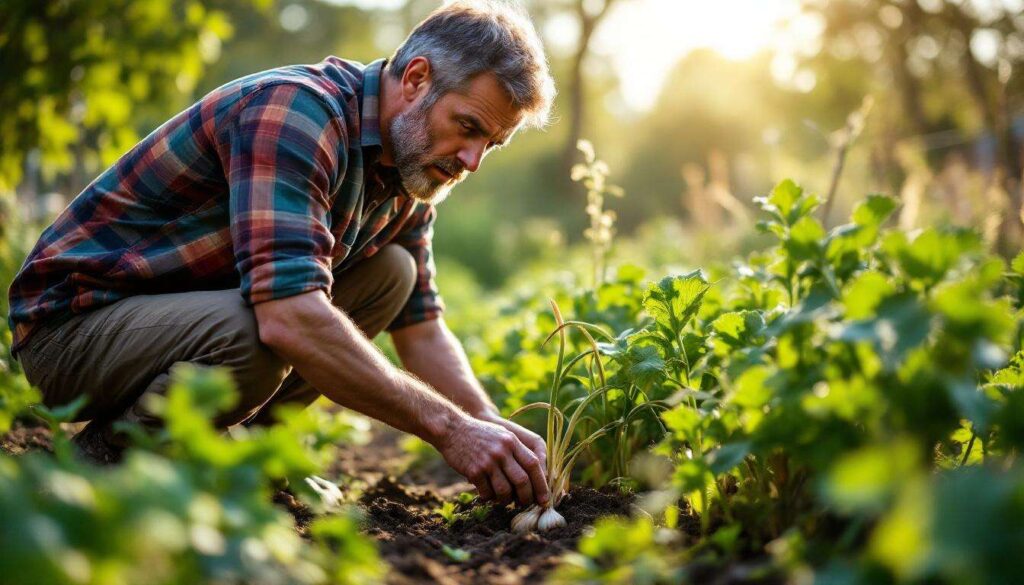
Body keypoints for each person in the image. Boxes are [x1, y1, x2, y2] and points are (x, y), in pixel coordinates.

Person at [7, 0, 555, 508]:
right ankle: (103, 462)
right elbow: (289, 317)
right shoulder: (296, 113)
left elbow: (422, 327)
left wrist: (488, 424)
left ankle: (248, 455)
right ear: (415, 79)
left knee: (394, 274)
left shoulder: (409, 173)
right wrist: (450, 430)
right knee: (260, 335)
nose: (474, 159)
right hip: (71, 331)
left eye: (492, 143)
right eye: (469, 128)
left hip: (177, 325)